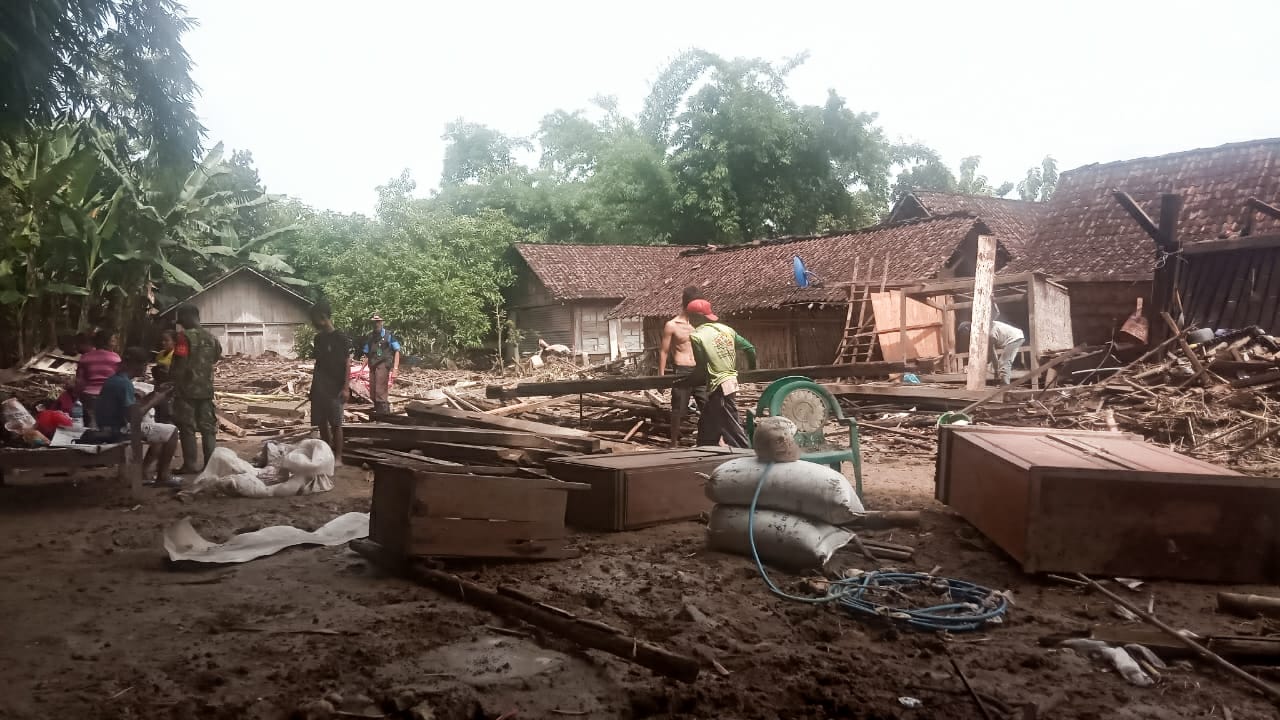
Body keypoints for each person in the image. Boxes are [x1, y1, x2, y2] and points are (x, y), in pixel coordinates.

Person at [95, 347, 180, 487]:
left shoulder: (115, 380)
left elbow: (133, 407)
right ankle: (163, 476)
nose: (145, 369)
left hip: (107, 425)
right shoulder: (124, 384)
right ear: (136, 365)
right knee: (172, 432)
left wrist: (155, 393)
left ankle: (144, 472)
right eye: (145, 365)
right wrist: (155, 401)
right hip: (119, 429)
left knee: (158, 433)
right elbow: (133, 418)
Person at [685, 299, 756, 448]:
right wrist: (752, 371)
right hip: (730, 382)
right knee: (707, 422)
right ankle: (705, 448)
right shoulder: (726, 330)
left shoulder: (697, 336)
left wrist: (686, 381)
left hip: (719, 386)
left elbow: (701, 368)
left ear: (695, 317)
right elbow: (750, 348)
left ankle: (746, 454)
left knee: (731, 426)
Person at [170, 304, 222, 473]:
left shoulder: (183, 337)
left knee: (187, 427)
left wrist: (172, 383)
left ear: (188, 317)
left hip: (186, 390)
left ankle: (190, 465)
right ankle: (211, 466)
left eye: (181, 320)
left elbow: (181, 363)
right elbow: (214, 359)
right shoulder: (212, 338)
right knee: (208, 428)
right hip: (206, 390)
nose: (180, 324)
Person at [659, 286, 708, 447]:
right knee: (678, 409)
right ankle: (673, 443)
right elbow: (664, 351)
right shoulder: (672, 325)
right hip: (682, 370)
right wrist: (661, 378)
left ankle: (706, 439)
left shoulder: (698, 325)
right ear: (688, 304)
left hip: (698, 370)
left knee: (707, 406)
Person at [309, 302, 350, 464]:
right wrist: (313, 387)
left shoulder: (341, 338)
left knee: (336, 423)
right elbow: (318, 364)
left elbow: (347, 363)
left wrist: (346, 388)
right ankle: (327, 455)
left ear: (323, 317)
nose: (313, 323)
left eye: (314, 319)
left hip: (335, 387)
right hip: (320, 386)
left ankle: (338, 457)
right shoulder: (318, 339)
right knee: (321, 423)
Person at [74, 329, 121, 427]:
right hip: (108, 396)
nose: (115, 343)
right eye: (113, 340)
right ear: (107, 342)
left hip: (88, 396)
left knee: (90, 425)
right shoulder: (116, 358)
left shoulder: (85, 357)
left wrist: (79, 395)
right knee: (105, 427)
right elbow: (118, 380)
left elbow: (79, 381)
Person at [959, 318, 1025, 385]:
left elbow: (992, 354)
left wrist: (996, 370)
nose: (966, 336)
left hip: (1014, 338)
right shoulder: (982, 329)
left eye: (964, 334)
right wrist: (996, 369)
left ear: (966, 329)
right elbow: (992, 354)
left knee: (1004, 362)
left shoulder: (987, 332)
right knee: (999, 363)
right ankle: (1003, 383)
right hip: (1013, 337)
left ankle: (1005, 386)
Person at [361, 313, 400, 415]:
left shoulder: (389, 335)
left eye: (378, 322)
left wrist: (395, 369)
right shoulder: (370, 337)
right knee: (373, 393)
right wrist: (361, 369)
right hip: (373, 365)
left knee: (380, 391)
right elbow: (367, 354)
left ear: (382, 322)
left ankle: (384, 414)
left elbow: (397, 351)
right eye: (374, 322)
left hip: (383, 364)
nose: (376, 324)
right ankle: (378, 413)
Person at [151, 329, 176, 424]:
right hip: (159, 385)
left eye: (166, 340)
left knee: (168, 411)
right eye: (163, 340)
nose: (163, 342)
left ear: (174, 342)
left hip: (170, 388)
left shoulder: (176, 356)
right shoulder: (160, 354)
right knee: (158, 409)